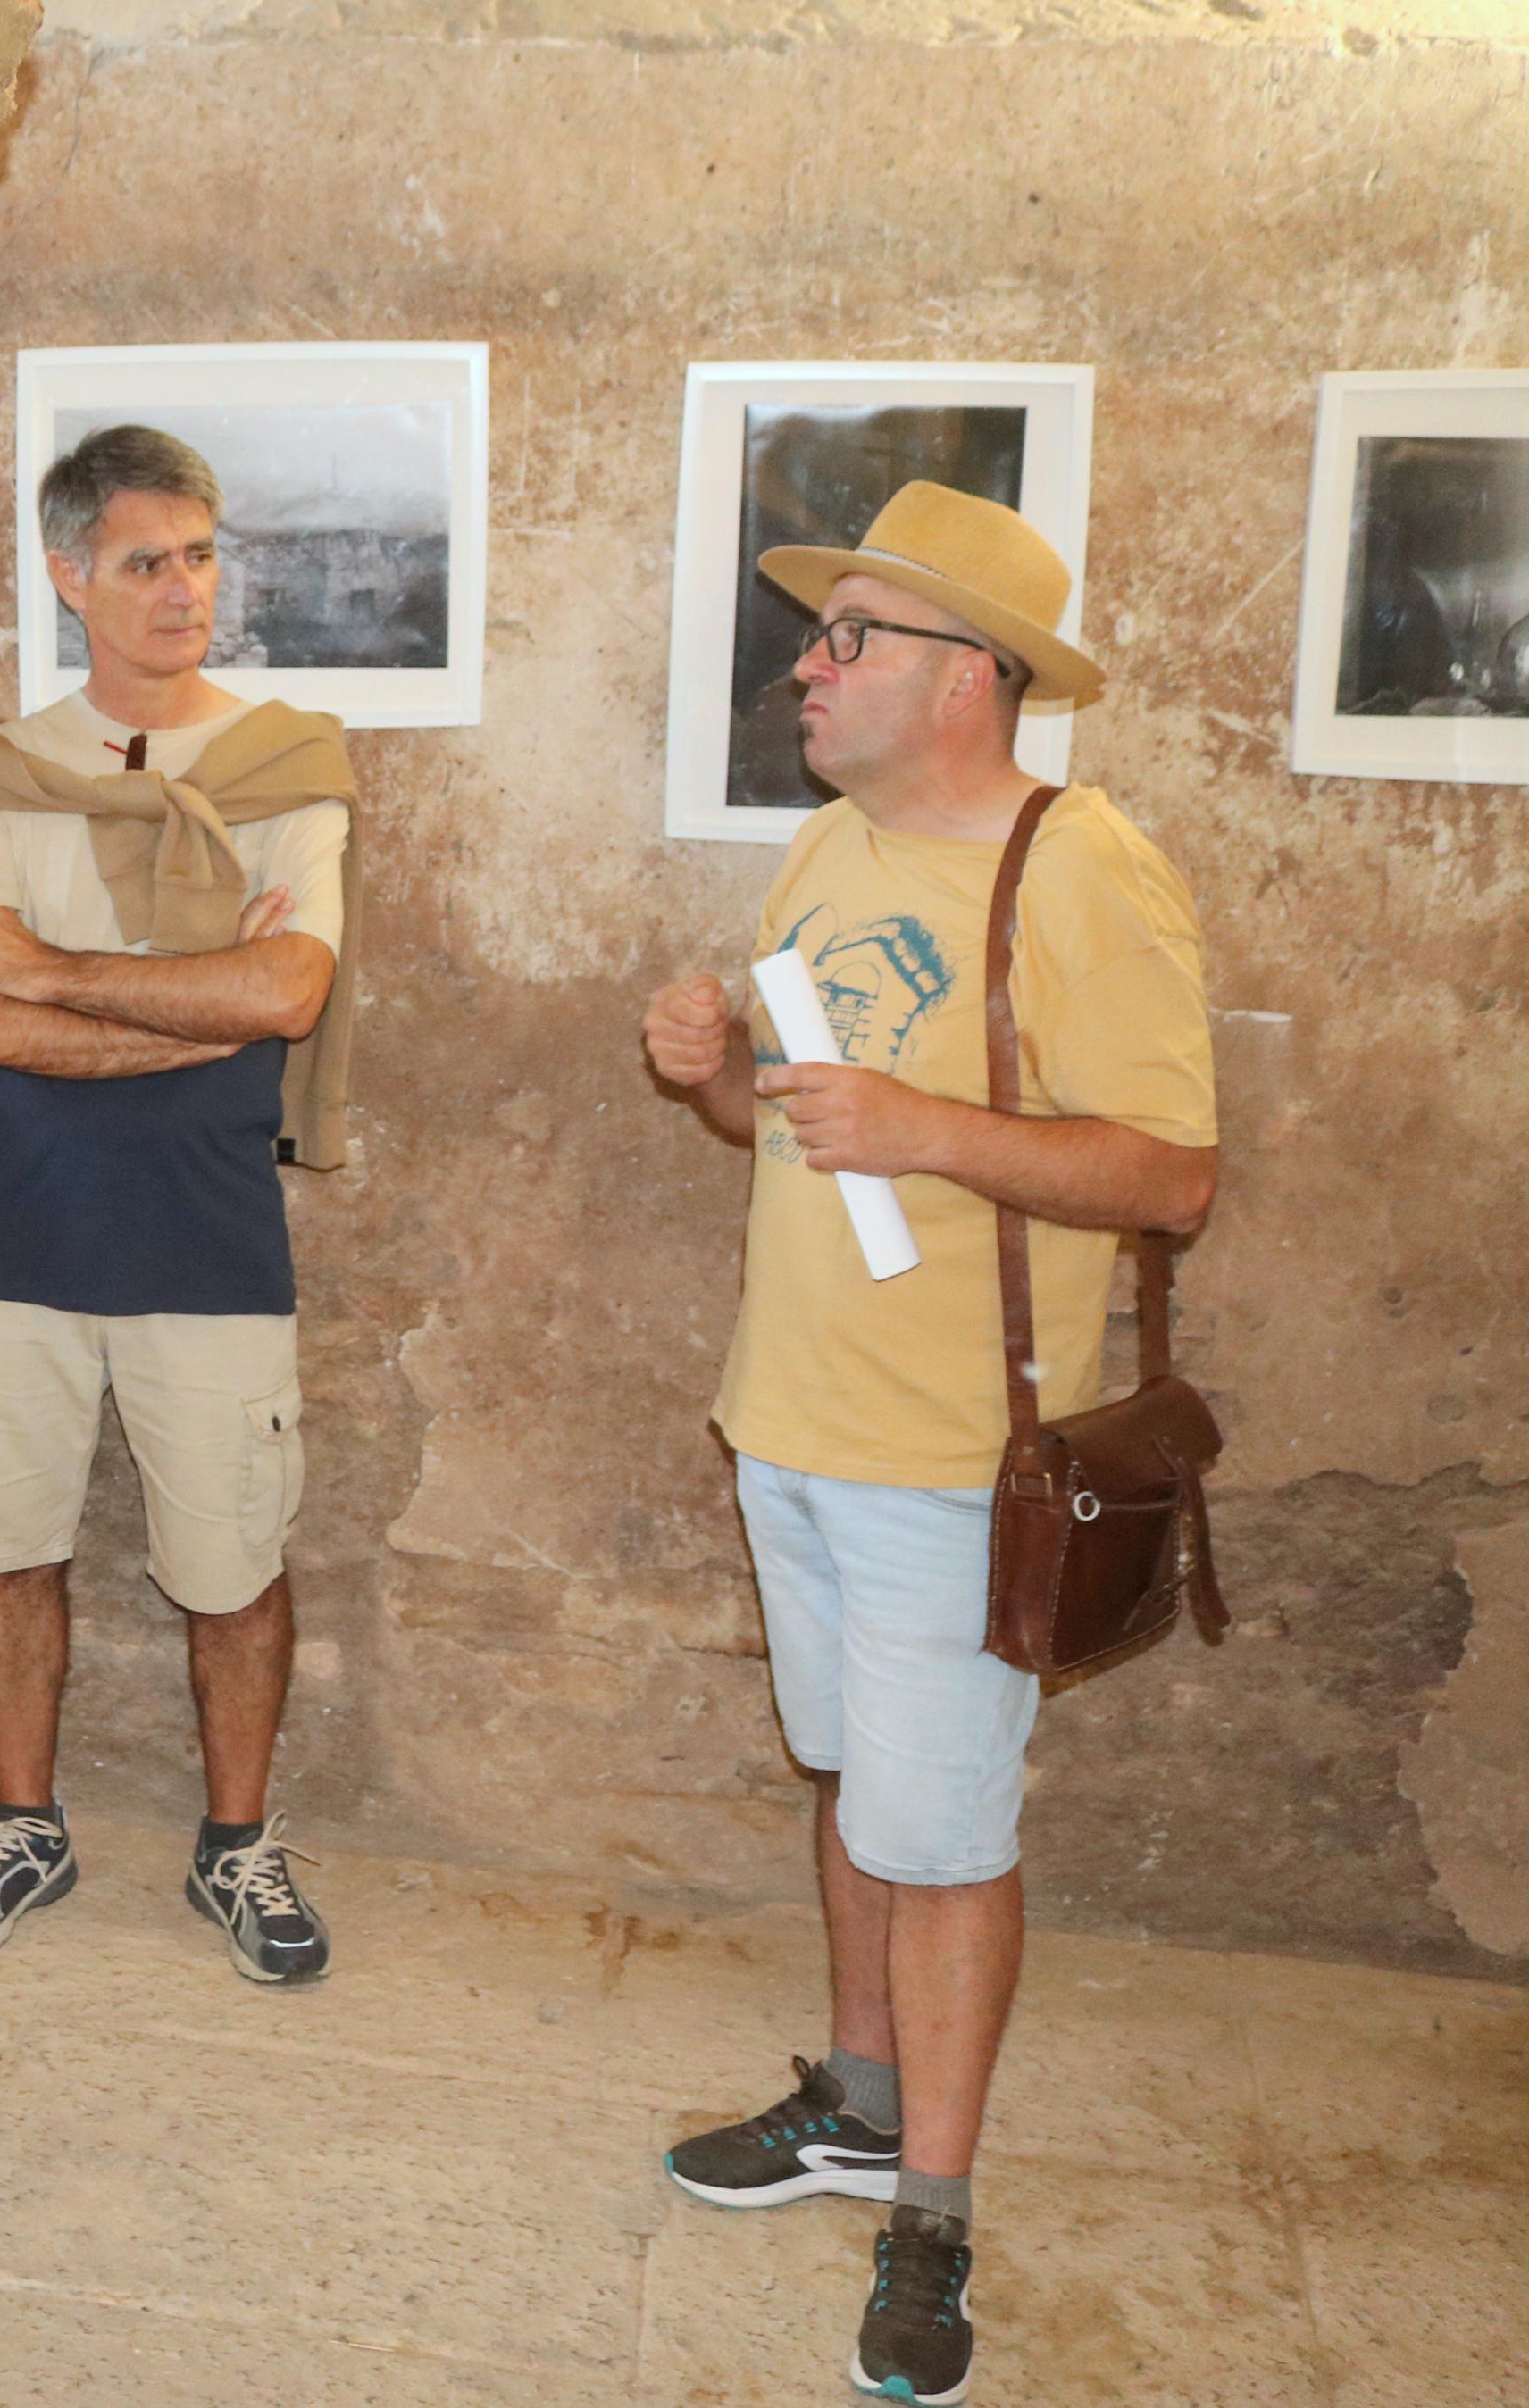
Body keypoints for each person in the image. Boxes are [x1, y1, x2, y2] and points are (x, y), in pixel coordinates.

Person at [641, 482, 1216, 2406]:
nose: (810, 662)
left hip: (958, 1459)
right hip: (791, 1422)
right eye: (823, 632)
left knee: (948, 1835)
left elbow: (1173, 1172)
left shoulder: (1079, 869)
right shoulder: (827, 842)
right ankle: (860, 2099)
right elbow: (798, 1131)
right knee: (851, 1783)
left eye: (850, 636)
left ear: (969, 676)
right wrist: (714, 1072)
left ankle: (937, 2203)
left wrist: (932, 1127)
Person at [0, 426, 359, 1986]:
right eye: (148, 562)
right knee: (3, 1535)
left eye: (201, 557)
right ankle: (23, 1818)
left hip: (210, 1216)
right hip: (18, 1216)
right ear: (69, 577)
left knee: (233, 1553)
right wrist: (188, 1001)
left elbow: (288, 989)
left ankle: (237, 1840)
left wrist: (51, 968)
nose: (184, 591)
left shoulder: (287, 762)